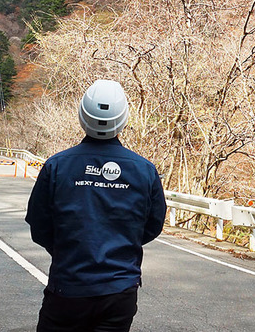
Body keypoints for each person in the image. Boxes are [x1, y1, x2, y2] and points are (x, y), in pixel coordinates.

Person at [26, 79, 167, 332]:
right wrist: (121, 246)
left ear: (82, 115)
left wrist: (68, 252)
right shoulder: (144, 170)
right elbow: (153, 226)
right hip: (120, 291)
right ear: (123, 118)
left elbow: (39, 227)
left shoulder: (57, 166)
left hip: (68, 287)